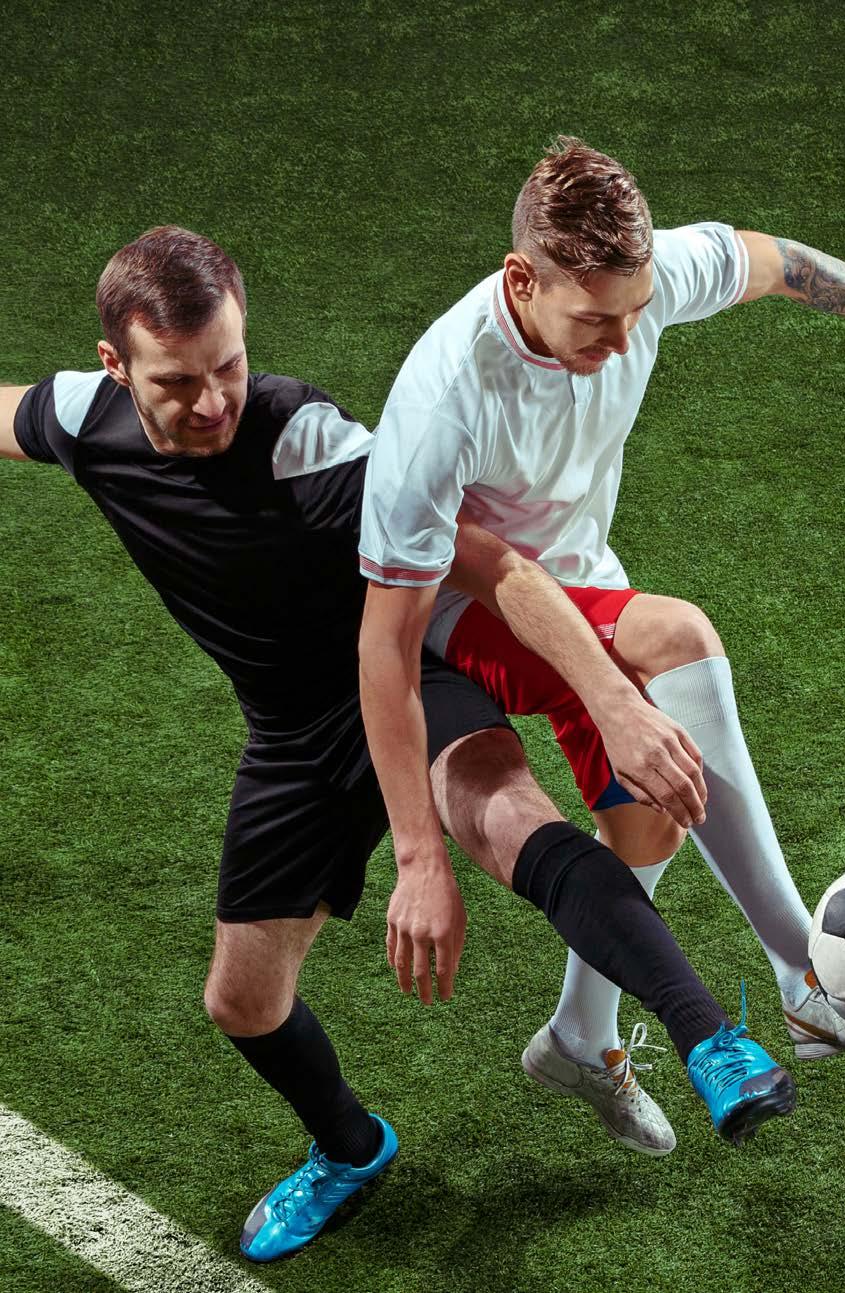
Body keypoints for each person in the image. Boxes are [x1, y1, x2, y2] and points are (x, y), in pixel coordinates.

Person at [0, 227, 797, 1263]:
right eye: (177, 382)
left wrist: (604, 702)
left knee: (515, 826)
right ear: (116, 366)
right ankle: (351, 1147)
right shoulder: (81, 419)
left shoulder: (309, 443)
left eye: (228, 366)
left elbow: (493, 567)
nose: (212, 402)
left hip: (411, 682)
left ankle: (711, 1040)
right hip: (293, 737)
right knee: (241, 1001)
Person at [359, 137, 845, 1152]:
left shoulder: (640, 290)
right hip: (453, 614)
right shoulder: (444, 405)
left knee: (649, 820)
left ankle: (579, 1036)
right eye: (595, 321)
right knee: (679, 635)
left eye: (638, 311)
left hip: (581, 583)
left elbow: (780, 263)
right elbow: (386, 645)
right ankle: (800, 969)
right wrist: (417, 855)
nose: (623, 341)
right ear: (521, 280)